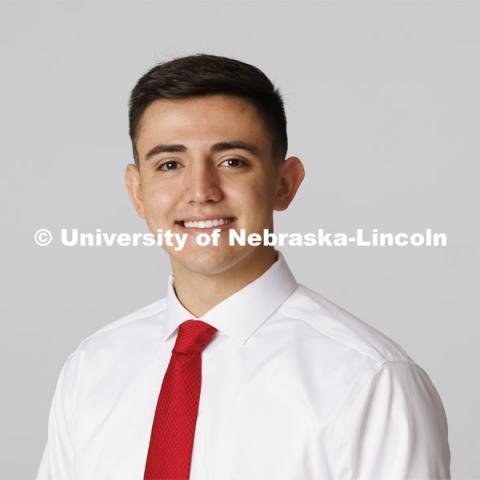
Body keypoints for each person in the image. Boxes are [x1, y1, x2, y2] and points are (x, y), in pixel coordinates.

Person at [36, 53, 450, 480]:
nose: (200, 192)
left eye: (232, 161)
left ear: (284, 184)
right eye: (170, 164)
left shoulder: (370, 381)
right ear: (137, 192)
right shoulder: (92, 368)